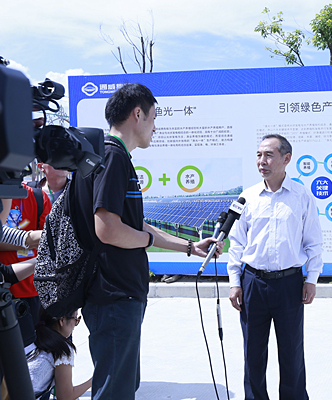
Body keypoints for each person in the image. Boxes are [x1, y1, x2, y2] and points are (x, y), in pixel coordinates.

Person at [68, 83, 222, 400]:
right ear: (137, 114)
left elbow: (133, 224)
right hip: (113, 295)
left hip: (114, 296)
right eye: (153, 118)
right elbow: (109, 229)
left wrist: (189, 247)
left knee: (121, 386)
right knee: (115, 392)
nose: (155, 127)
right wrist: (147, 238)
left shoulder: (105, 156)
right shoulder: (113, 157)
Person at [227, 134, 323, 400]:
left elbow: (314, 241)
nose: (262, 161)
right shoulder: (247, 198)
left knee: (292, 353)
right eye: (259, 155)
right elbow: (236, 244)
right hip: (252, 283)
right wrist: (235, 282)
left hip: (289, 284)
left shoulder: (301, 196)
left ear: (286, 158)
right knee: (253, 353)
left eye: (269, 155)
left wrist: (311, 279)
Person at [0, 182, 51, 347]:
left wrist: (58, 237)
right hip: (8, 286)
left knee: (27, 351)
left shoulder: (37, 197)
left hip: (28, 290)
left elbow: (23, 237)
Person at [26, 308, 92, 400]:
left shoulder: (33, 335)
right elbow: (65, 397)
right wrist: (92, 380)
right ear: (62, 320)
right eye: (76, 319)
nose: (75, 324)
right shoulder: (62, 349)